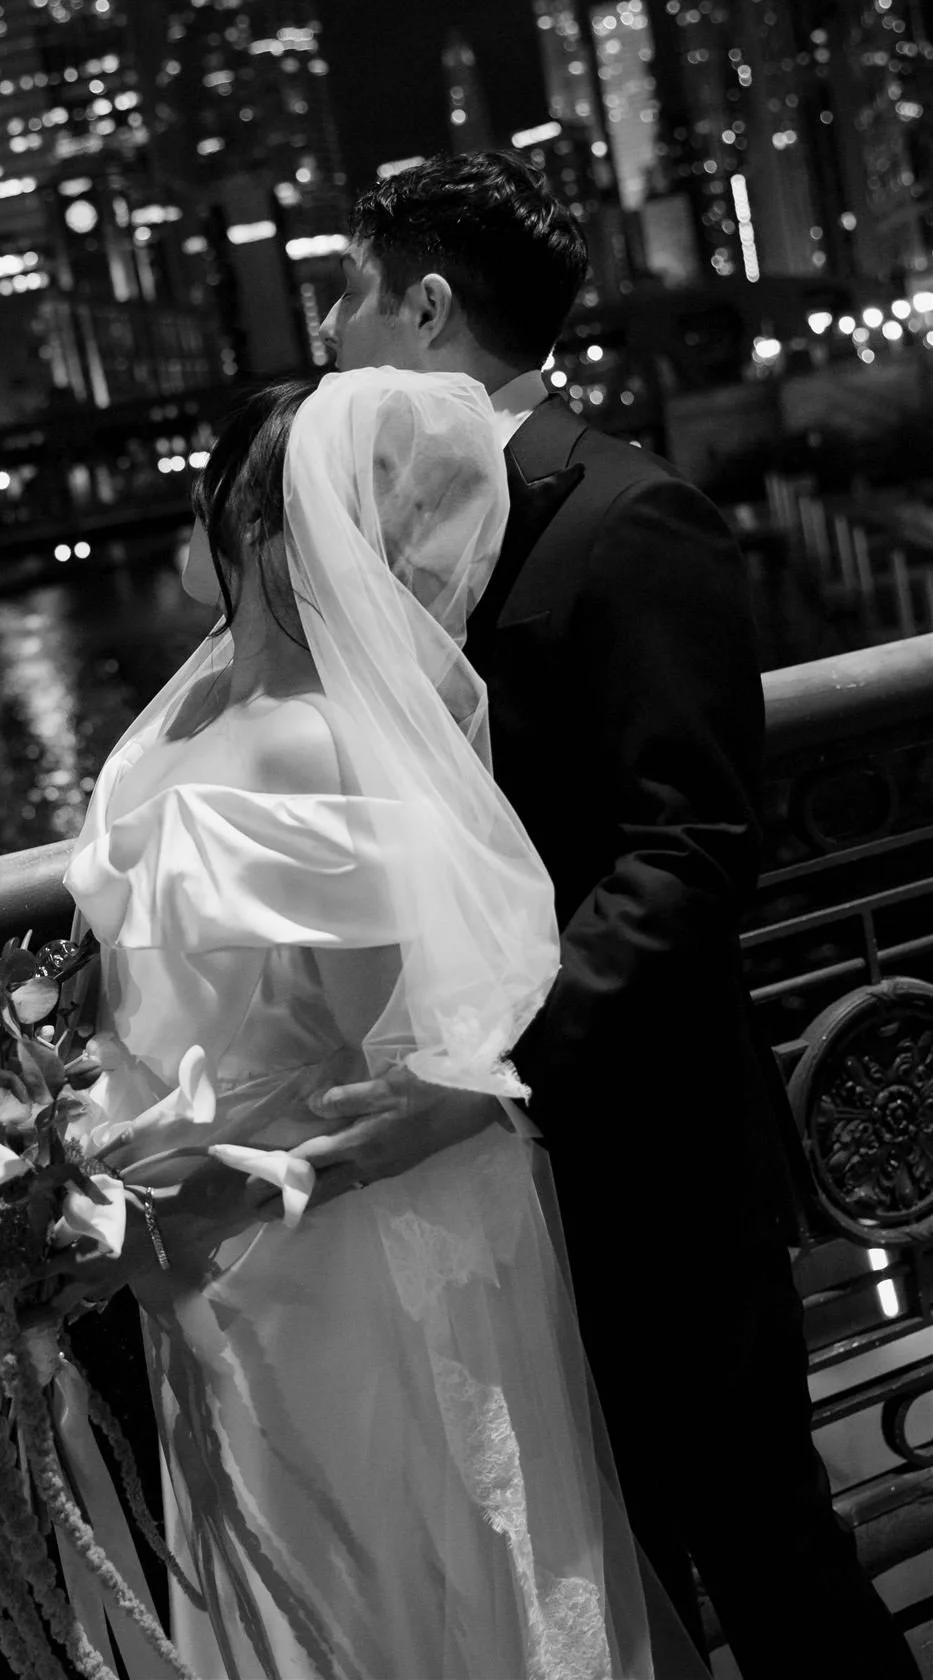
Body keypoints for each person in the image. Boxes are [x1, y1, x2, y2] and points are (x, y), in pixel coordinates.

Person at [301, 151, 919, 1680]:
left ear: (427, 306)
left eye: (347, 290)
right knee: (592, 1581)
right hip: (482, 1197)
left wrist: (499, 1058)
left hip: (645, 1162)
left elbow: (691, 851)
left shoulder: (629, 518)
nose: (320, 329)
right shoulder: (374, 547)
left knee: (767, 1554)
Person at [63, 370, 706, 1679]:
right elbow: (120, 982)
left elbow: (375, 1070)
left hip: (297, 1251)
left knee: (379, 1587)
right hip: (206, 1260)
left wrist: (177, 1203)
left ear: (248, 531)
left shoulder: (308, 745)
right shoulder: (176, 721)